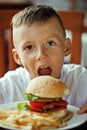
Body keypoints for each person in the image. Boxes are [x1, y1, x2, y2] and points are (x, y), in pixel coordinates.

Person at [0, 5, 87, 114]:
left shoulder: (80, 78)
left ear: (66, 48)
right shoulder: (10, 85)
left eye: (50, 43)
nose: (41, 55)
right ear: (18, 57)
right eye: (29, 47)